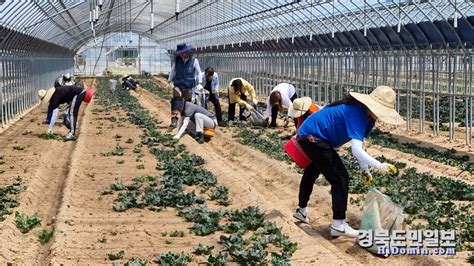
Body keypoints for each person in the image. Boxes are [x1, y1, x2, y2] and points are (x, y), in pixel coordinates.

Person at [292, 86, 403, 238]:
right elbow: (355, 151)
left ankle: (301, 211)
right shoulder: (357, 112)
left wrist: (365, 170)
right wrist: (379, 165)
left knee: (312, 172)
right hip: (313, 137)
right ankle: (338, 224)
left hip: (315, 136)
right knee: (340, 178)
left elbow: (359, 145)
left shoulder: (368, 119)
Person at [167, 43, 203, 128]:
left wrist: (200, 83)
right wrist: (169, 81)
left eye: (183, 53)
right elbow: (173, 71)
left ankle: (185, 122)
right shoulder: (177, 60)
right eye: (180, 53)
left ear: (187, 52)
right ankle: (174, 120)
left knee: (187, 104)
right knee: (176, 100)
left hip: (188, 86)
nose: (181, 55)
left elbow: (199, 73)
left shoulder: (194, 61)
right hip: (178, 85)